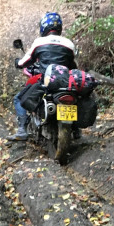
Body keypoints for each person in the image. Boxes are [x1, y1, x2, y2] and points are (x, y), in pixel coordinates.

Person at [9, 12, 77, 141]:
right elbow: (73, 65)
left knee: (18, 99)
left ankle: (22, 130)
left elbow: (25, 62)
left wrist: (18, 62)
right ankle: (76, 129)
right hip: (65, 82)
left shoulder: (39, 42)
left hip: (46, 81)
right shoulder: (69, 44)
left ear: (44, 27)